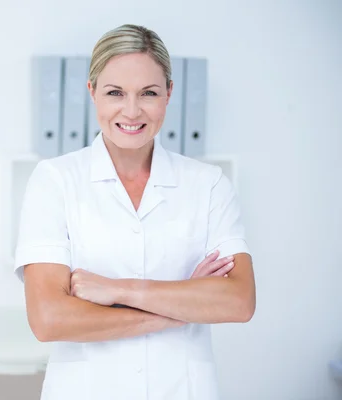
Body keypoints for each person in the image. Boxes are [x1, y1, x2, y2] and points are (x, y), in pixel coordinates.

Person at [14, 24, 256, 400]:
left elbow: (237, 302)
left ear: (169, 94)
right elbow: (48, 319)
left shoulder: (208, 185)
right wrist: (179, 308)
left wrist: (115, 290)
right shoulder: (55, 181)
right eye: (115, 93)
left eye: (148, 93)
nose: (131, 110)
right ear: (92, 92)